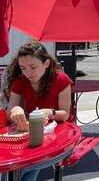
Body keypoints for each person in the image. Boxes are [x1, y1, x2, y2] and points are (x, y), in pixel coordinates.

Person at [6, 40, 72, 181]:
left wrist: (50, 112)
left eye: (33, 67)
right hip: (30, 135)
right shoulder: (20, 82)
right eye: (23, 68)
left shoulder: (61, 80)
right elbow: (10, 110)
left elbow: (65, 114)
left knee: (21, 169)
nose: (28, 73)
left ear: (46, 64)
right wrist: (15, 110)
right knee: (21, 169)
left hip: (57, 135)